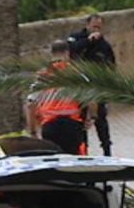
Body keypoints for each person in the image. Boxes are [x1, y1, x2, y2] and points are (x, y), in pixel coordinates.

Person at [27, 42, 88, 155]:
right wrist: (91, 118)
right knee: (73, 160)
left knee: (53, 158)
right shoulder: (76, 73)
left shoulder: (42, 76)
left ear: (52, 53)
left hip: (50, 125)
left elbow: (31, 104)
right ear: (67, 53)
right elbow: (91, 96)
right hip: (72, 124)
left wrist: (32, 131)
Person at [67, 14, 116, 156]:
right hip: (79, 87)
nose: (96, 30)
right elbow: (70, 50)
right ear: (87, 25)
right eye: (94, 26)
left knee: (100, 119)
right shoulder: (76, 38)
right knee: (80, 121)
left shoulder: (104, 45)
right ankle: (83, 151)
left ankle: (107, 151)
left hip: (97, 88)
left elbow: (111, 66)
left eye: (99, 27)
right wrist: (88, 41)